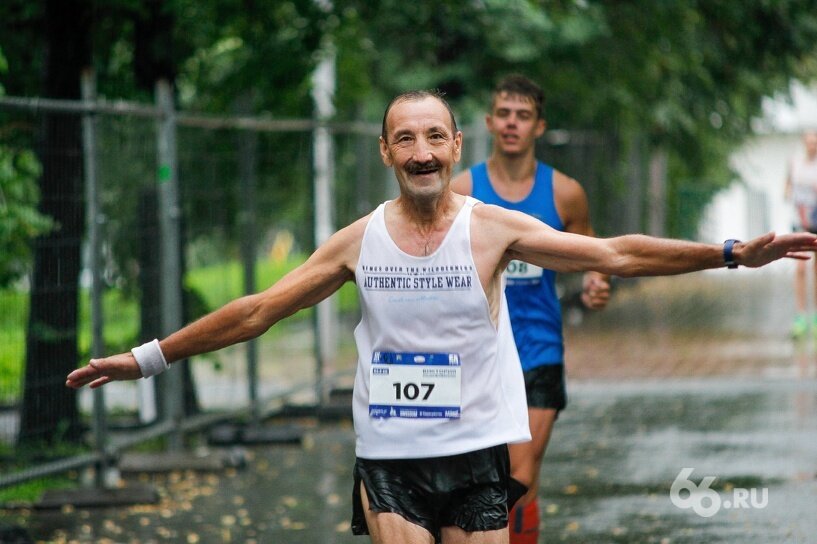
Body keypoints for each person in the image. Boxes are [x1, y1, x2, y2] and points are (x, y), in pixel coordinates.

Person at [66, 90, 816, 544]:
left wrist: (729, 252)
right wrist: (143, 358)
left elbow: (614, 253)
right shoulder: (357, 240)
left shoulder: (491, 226)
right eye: (406, 138)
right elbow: (259, 310)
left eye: (435, 137)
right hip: (389, 454)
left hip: (477, 446)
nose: (421, 151)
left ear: (456, 146)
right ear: (388, 151)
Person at [451, 74, 609, 543]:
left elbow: (592, 254)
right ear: (489, 121)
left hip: (539, 350)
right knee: (493, 478)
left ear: (539, 126)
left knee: (518, 474)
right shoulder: (463, 190)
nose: (512, 124)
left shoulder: (565, 194)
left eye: (523, 116)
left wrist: (597, 283)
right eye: (504, 114)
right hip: (477, 355)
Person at [785, 129, 817, 338]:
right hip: (800, 220)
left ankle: (815, 316)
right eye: (809, 142)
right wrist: (792, 195)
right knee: (799, 267)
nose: (812, 146)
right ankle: (800, 315)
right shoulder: (794, 163)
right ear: (804, 143)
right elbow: (786, 189)